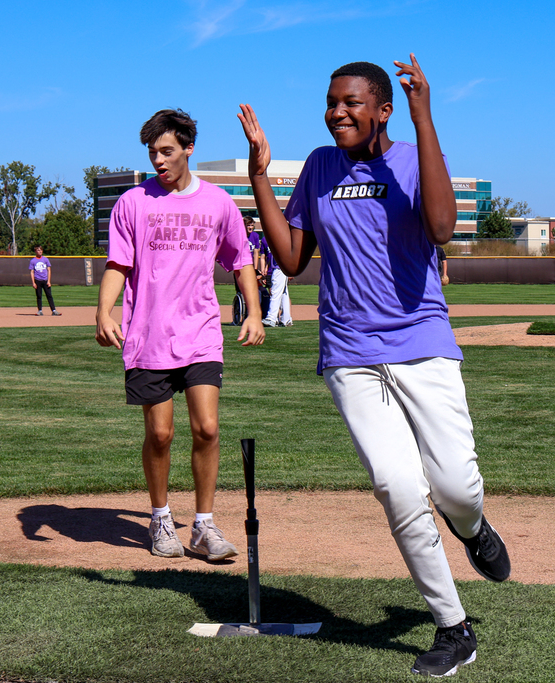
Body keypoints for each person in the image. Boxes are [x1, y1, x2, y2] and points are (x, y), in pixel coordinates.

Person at [238, 55, 510, 678]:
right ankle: (453, 627)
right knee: (397, 486)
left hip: (423, 342)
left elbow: (442, 227)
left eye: (351, 103)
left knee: (456, 489)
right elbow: (292, 258)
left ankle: (473, 529)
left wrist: (424, 117)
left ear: (382, 110)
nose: (337, 112)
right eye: (332, 102)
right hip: (350, 352)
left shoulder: (413, 158)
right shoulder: (319, 166)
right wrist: (260, 179)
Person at [95, 109, 265, 562]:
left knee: (207, 428)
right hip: (148, 336)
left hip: (201, 331)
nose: (159, 161)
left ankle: (204, 527)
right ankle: (161, 517)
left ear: (189, 148)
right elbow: (119, 264)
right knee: (161, 434)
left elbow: (240, 259)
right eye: (153, 153)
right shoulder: (132, 203)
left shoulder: (218, 203)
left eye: (167, 151)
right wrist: (103, 311)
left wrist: (254, 312)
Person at [260, 229, 293, 328]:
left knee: (275, 292)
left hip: (280, 268)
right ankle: (286, 319)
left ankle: (271, 318)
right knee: (283, 293)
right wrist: (267, 266)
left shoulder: (281, 237)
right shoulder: (278, 237)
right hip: (280, 267)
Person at [29, 246, 60, 316]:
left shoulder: (45, 259)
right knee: (39, 296)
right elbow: (32, 272)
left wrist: (49, 281)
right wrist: (33, 282)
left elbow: (49, 270)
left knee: (49, 295)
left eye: (40, 250)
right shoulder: (33, 261)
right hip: (37, 280)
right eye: (38, 250)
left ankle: (54, 310)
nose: (39, 252)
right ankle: (40, 310)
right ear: (35, 251)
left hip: (45, 280)